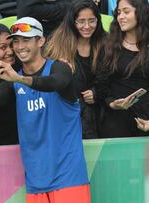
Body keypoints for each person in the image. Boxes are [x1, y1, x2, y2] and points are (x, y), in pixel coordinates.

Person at [0, 17, 90, 203]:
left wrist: (19, 79)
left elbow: (54, 83)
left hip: (68, 177)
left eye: (26, 40)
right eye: (16, 41)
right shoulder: (15, 79)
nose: (20, 46)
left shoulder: (59, 68)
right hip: (36, 181)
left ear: (41, 41)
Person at [96, 0, 149, 138]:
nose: (121, 17)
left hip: (148, 122)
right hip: (115, 122)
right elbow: (101, 84)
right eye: (118, 13)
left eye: (126, 11)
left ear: (141, 12)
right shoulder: (109, 46)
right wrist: (112, 103)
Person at [44, 0, 106, 139]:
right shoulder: (57, 43)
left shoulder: (105, 42)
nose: (87, 26)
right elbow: (47, 78)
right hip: (68, 112)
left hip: (98, 112)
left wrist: (96, 93)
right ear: (72, 22)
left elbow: (110, 77)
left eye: (92, 21)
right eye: (81, 21)